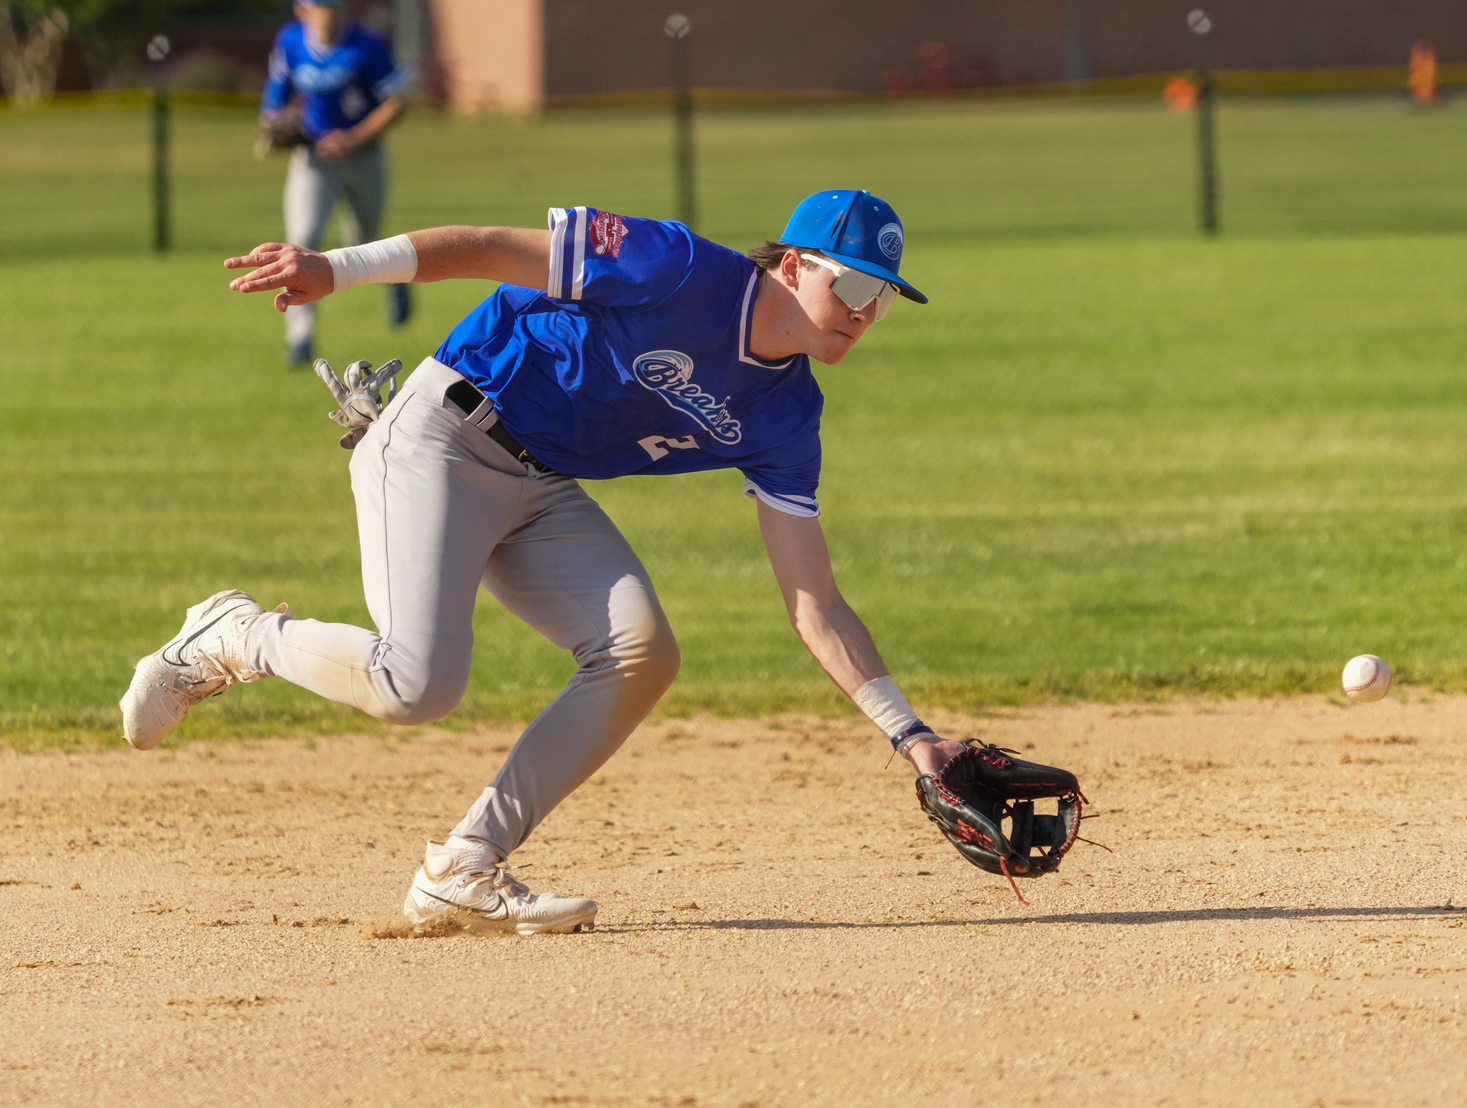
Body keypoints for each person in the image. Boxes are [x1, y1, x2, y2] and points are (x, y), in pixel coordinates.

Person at [119, 190, 966, 934]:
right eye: (849, 283)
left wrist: (913, 739)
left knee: (642, 653)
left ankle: (462, 869)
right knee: (416, 686)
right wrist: (334, 268)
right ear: (791, 265)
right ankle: (236, 635)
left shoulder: (788, 418)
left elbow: (814, 600)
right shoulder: (676, 266)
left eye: (881, 298)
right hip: (443, 434)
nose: (862, 310)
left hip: (540, 486)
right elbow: (487, 245)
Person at [260, 0, 412, 366]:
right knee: (303, 238)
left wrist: (354, 137)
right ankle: (300, 339)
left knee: (363, 242)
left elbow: (398, 102)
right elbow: (276, 97)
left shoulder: (367, 45)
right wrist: (274, 123)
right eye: (320, 6)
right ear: (303, 10)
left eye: (334, 6)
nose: (329, 12)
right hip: (314, 160)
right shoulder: (291, 41)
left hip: (364, 158)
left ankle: (399, 281)